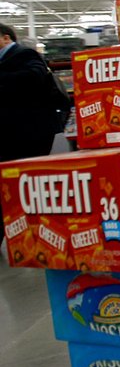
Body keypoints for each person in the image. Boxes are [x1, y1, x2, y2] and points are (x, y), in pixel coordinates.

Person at [0, 24, 61, 245]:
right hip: (11, 133)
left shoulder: (24, 54)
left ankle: (37, 233)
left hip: (29, 132)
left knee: (24, 182)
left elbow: (34, 77)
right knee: (9, 183)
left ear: (6, 38)